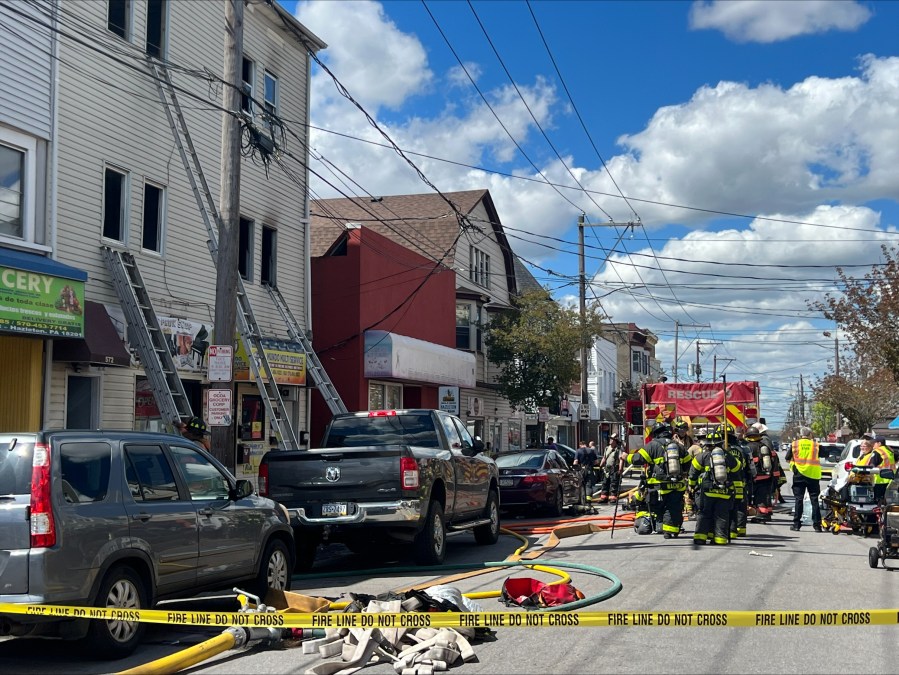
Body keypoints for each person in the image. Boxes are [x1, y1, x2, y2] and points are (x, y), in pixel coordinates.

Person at [623, 422, 691, 538]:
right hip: (677, 485)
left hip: (658, 487)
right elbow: (688, 465)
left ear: (656, 433)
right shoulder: (678, 446)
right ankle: (671, 530)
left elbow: (638, 459)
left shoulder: (652, 445)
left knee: (661, 507)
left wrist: (626, 457)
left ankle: (662, 527)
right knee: (674, 507)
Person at [688, 427, 740, 546]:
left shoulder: (702, 457)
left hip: (706, 492)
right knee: (721, 516)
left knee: (704, 514)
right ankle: (720, 539)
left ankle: (700, 538)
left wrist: (691, 487)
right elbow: (737, 470)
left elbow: (692, 474)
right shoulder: (728, 456)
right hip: (724, 492)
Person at [785, 426, 822, 531]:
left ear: (800, 435)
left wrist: (794, 465)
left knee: (798, 499)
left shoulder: (795, 444)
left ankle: (796, 525)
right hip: (813, 476)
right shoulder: (815, 445)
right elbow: (825, 454)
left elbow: (787, 458)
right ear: (810, 435)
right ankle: (817, 526)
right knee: (814, 500)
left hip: (799, 475)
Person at [746, 426, 774, 522]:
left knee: (750, 496)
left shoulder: (746, 448)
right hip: (765, 476)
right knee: (762, 497)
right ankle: (764, 514)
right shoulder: (764, 447)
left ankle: (755, 514)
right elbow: (772, 461)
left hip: (752, 477)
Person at [861, 436, 895, 502]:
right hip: (890, 480)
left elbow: (872, 466)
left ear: (879, 443)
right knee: (885, 501)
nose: (873, 444)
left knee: (877, 501)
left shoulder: (878, 451)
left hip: (879, 480)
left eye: (874, 443)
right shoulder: (889, 451)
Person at [598, 433, 623, 503]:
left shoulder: (618, 449)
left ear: (615, 441)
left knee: (614, 483)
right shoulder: (607, 448)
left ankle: (613, 498)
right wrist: (601, 465)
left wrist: (620, 469)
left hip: (614, 469)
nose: (610, 440)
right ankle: (604, 497)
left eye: (611, 439)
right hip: (607, 468)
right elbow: (604, 458)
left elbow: (621, 459)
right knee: (605, 483)